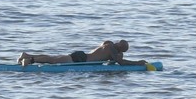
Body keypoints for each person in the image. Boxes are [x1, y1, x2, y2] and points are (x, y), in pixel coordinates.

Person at [19, 39, 148, 67]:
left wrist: (115, 59)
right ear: (119, 45)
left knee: (53, 58)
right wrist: (139, 63)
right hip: (81, 59)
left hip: (82, 56)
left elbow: (111, 62)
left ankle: (26, 55)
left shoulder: (108, 45)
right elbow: (121, 63)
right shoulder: (111, 49)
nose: (120, 51)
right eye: (121, 49)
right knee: (52, 60)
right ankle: (30, 61)